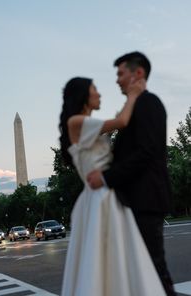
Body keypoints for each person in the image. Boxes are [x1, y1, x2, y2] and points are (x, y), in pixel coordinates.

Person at [59, 77, 166, 296]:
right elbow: (122, 121)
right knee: (108, 257)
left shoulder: (86, 124)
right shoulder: (76, 122)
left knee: (114, 258)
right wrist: (134, 94)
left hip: (105, 195)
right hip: (100, 198)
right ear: (84, 97)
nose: (99, 94)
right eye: (94, 89)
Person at [87, 52, 176, 296]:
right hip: (136, 200)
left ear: (138, 73)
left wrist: (105, 177)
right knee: (144, 273)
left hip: (145, 199)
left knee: (154, 271)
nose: (117, 80)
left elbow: (146, 153)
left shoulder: (149, 104)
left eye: (120, 73)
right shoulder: (136, 107)